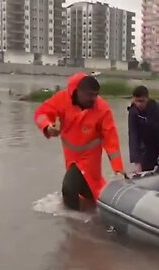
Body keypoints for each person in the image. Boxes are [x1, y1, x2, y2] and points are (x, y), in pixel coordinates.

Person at [34, 73, 125, 211]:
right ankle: (91, 220)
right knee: (89, 193)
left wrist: (118, 169)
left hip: (89, 159)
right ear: (79, 92)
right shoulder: (62, 99)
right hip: (70, 157)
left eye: (96, 95)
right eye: (90, 95)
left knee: (69, 188)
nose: (93, 99)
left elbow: (111, 141)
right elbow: (41, 113)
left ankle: (73, 226)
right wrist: (47, 127)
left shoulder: (102, 109)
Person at [128, 85, 159, 172]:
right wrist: (136, 161)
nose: (139, 104)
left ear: (147, 99)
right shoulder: (133, 112)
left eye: (142, 101)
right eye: (136, 101)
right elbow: (133, 136)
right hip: (146, 149)